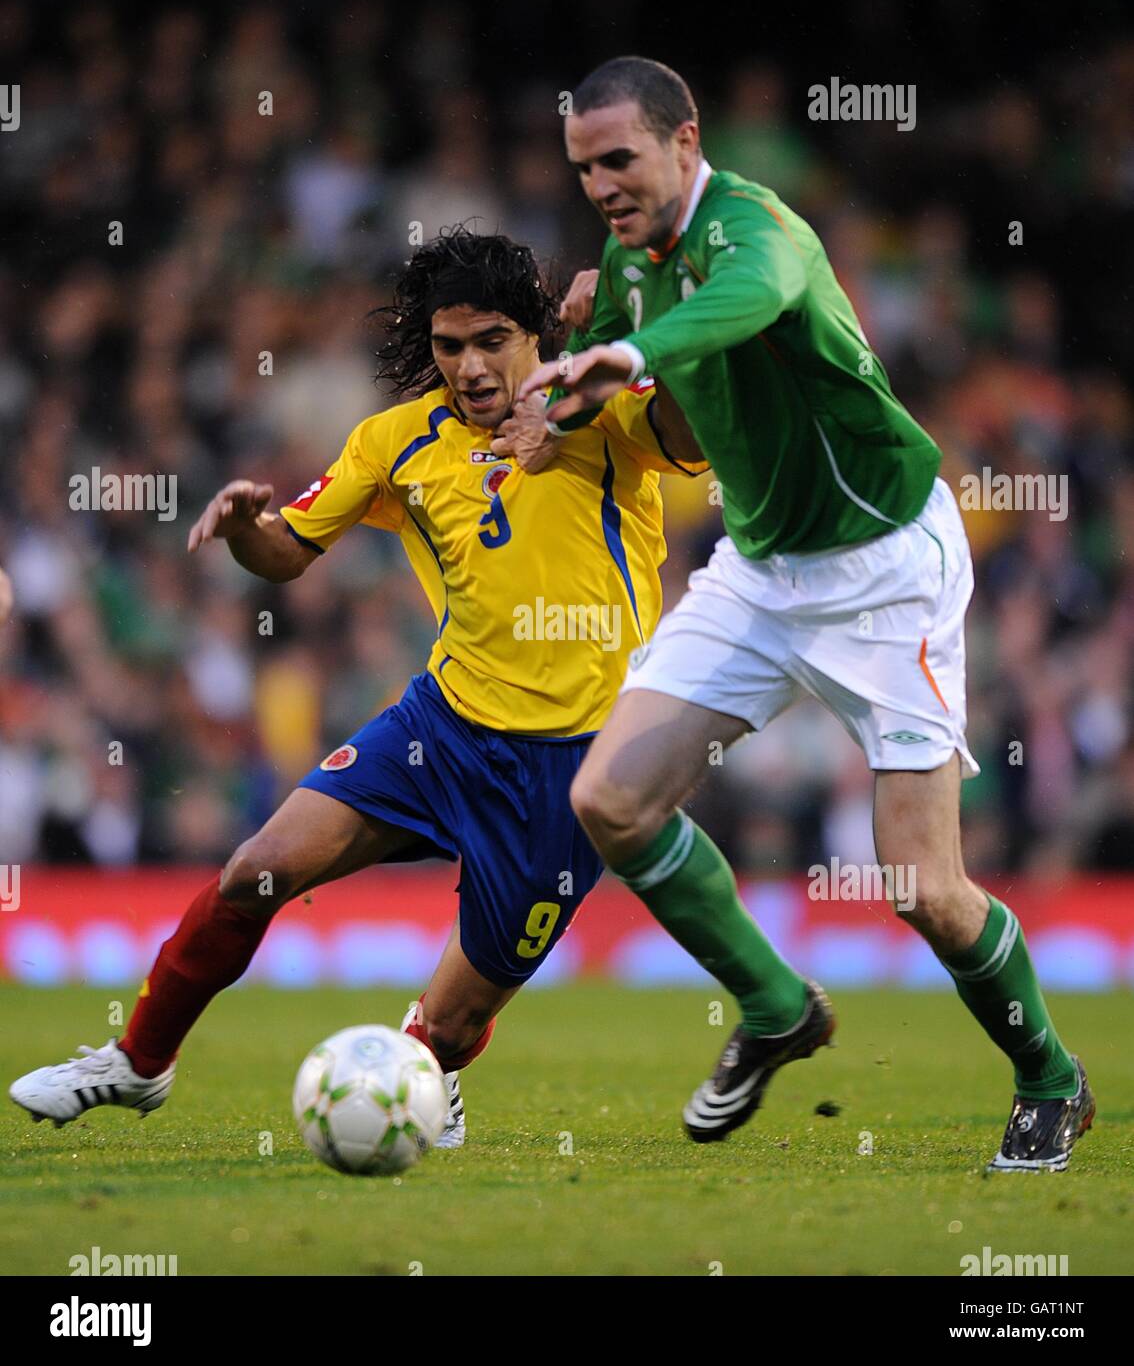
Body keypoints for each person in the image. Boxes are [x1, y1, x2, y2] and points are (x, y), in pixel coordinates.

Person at [8, 226, 706, 1146]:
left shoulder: (603, 414)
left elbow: (695, 425)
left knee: (449, 1029)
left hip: (572, 773)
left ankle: (432, 1064)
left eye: (492, 339)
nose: (469, 365)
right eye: (450, 346)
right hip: (441, 731)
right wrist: (249, 525)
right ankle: (137, 1064)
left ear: (535, 333)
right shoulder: (395, 442)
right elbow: (288, 554)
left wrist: (642, 325)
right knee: (256, 871)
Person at [520, 57, 1093, 1172]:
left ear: (686, 141)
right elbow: (683, 422)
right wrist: (598, 394)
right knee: (610, 798)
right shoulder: (625, 267)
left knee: (921, 888)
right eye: (584, 167)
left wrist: (636, 346)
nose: (600, 185)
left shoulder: (757, 226)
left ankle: (1051, 1078)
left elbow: (751, 304)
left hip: (886, 570)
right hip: (764, 567)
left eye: (620, 159)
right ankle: (778, 1004)